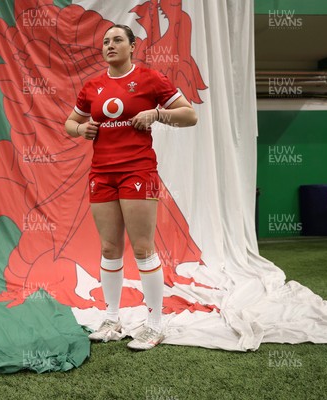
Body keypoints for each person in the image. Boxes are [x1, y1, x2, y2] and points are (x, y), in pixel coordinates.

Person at [64, 24, 197, 350]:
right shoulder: (93, 86)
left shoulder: (151, 79)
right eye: (106, 41)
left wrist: (157, 114)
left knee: (142, 249)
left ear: (132, 46)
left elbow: (189, 115)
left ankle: (154, 324)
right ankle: (112, 318)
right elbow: (69, 123)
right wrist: (82, 129)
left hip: (137, 170)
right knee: (109, 248)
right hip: (101, 174)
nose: (110, 45)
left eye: (117, 40)